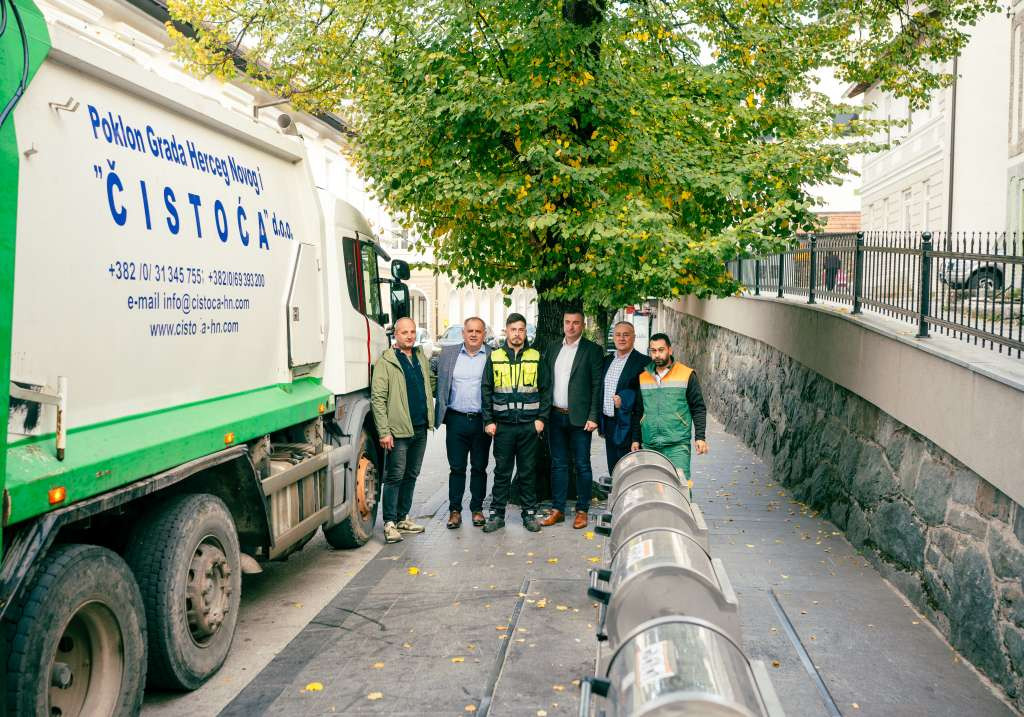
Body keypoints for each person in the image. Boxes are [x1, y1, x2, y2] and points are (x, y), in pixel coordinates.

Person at [370, 317, 436, 544]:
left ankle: (402, 518)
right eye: (404, 332)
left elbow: (429, 383)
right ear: (395, 335)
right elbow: (378, 399)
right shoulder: (386, 361)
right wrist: (384, 431)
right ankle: (389, 523)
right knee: (395, 476)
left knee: (412, 474)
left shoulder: (420, 357)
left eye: (412, 332)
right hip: (398, 431)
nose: (409, 336)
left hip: (420, 427)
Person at [481, 313, 548, 533]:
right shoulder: (495, 356)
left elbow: (546, 390)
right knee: (502, 472)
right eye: (513, 329)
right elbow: (486, 389)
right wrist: (489, 421)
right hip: (503, 426)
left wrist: (541, 419)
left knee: (528, 471)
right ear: (506, 331)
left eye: (521, 330)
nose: (517, 334)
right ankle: (497, 514)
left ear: (525, 332)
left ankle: (529, 514)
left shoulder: (536, 356)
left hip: (529, 425)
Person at [540, 310, 604, 530]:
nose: (571, 326)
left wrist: (594, 416)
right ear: (563, 324)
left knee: (582, 465)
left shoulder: (592, 350)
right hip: (555, 416)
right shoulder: (553, 347)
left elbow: (597, 385)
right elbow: (545, 381)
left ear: (583, 325)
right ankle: (557, 509)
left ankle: (582, 510)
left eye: (576, 323)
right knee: (558, 464)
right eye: (567, 322)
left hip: (580, 419)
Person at [435, 317, 491, 529]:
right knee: (457, 467)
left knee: (479, 467)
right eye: (470, 331)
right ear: (463, 333)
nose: (474, 334)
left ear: (484, 334)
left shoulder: (493, 356)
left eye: (478, 331)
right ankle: (454, 511)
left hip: (481, 421)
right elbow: (437, 381)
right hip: (456, 419)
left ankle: (477, 509)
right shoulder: (448, 355)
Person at [631, 333, 708, 482]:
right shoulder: (643, 377)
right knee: (652, 487)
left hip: (677, 445)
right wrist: (636, 439)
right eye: (653, 351)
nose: (657, 355)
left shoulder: (687, 374)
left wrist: (700, 437)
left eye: (661, 350)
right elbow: (638, 411)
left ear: (670, 350)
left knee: (680, 486)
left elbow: (698, 407)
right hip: (650, 444)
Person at [600, 321, 648, 475]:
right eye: (618, 335)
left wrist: (625, 400)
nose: (621, 338)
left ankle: (630, 498)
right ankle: (617, 496)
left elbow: (644, 397)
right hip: (608, 422)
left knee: (629, 469)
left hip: (629, 423)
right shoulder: (607, 361)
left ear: (633, 337)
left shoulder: (643, 362)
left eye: (626, 335)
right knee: (613, 468)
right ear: (613, 337)